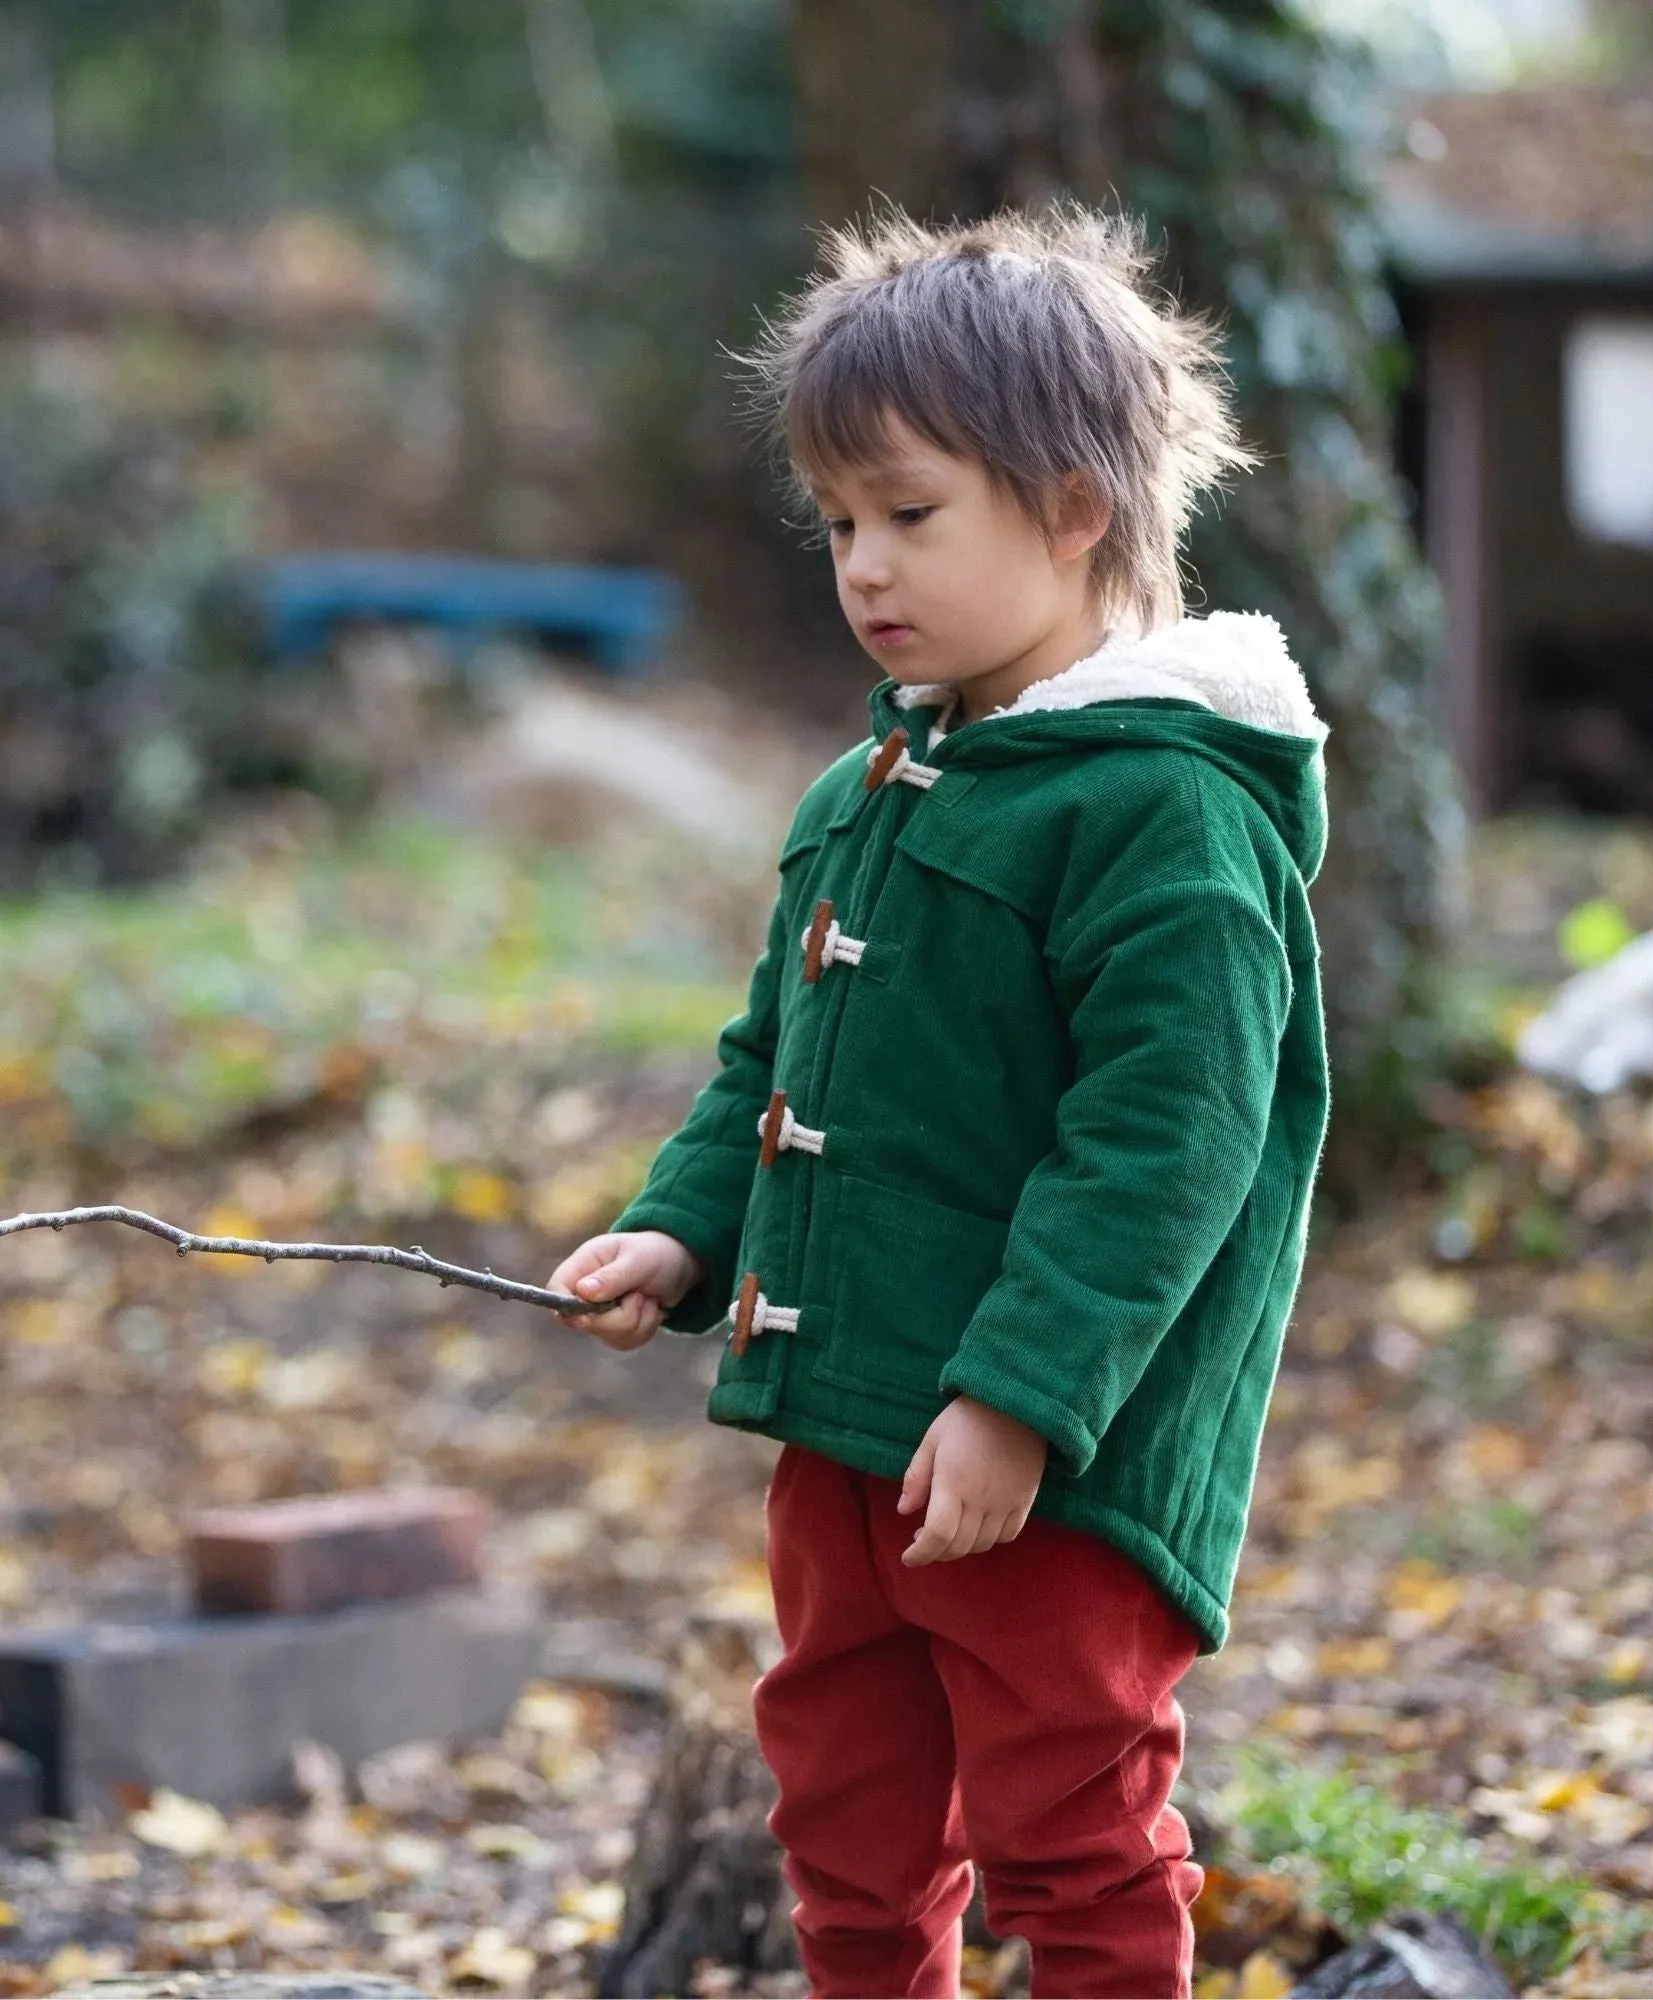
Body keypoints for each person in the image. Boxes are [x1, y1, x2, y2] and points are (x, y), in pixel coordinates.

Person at [548, 202, 1331, 2000]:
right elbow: (772, 1057)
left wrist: (1020, 1400)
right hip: (846, 1420)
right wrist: (680, 1229)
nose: (864, 564)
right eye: (838, 521)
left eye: (913, 513)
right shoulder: (871, 788)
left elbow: (1170, 1137)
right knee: (847, 1806)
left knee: (1071, 1815)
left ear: (1075, 510)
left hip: (1046, 1458)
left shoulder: (1163, 810)